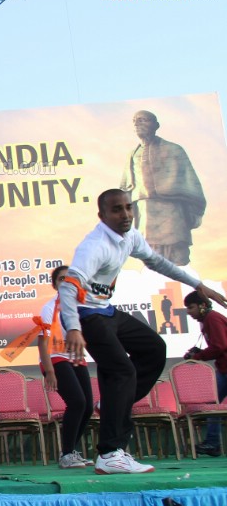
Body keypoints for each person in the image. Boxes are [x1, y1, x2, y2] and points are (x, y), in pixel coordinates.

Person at [59, 190, 227, 474]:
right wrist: (74, 328)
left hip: (106, 311)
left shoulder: (131, 236)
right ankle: (111, 454)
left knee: (153, 349)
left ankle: (110, 403)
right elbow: (67, 286)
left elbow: (159, 262)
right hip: (87, 316)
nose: (125, 215)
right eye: (116, 210)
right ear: (102, 216)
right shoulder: (95, 246)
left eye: (128, 208)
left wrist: (198, 285)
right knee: (122, 371)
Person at [120, 110, 206, 265]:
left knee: (177, 253)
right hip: (144, 212)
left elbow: (189, 182)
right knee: (151, 254)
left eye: (143, 120)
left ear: (156, 125)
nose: (137, 123)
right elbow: (126, 187)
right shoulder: (132, 154)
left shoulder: (174, 149)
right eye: (135, 121)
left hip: (172, 210)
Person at [37, 265, 94, 469]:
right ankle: (67, 454)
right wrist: (49, 370)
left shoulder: (81, 305)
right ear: (55, 285)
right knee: (77, 401)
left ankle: (70, 451)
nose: (65, 283)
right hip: (55, 358)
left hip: (76, 358)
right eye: (61, 279)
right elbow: (42, 341)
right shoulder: (49, 307)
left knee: (87, 406)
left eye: (69, 279)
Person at [182, 290, 227, 457]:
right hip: (223, 369)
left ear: (202, 305)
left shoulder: (212, 318)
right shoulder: (207, 319)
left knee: (211, 406)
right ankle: (213, 443)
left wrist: (198, 356)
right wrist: (199, 352)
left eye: (190, 307)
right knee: (210, 406)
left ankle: (213, 443)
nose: (188, 311)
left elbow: (220, 346)